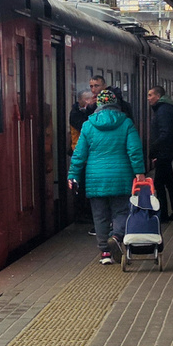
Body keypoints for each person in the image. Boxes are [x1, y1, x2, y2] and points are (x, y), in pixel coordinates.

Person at [68, 87, 145, 264]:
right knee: (121, 211)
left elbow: (79, 154)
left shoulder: (88, 125)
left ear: (99, 105)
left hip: (96, 179)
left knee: (100, 216)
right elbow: (134, 150)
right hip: (121, 176)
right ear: (115, 104)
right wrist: (139, 172)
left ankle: (105, 253)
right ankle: (117, 238)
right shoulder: (126, 123)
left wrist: (73, 175)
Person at [147, 86, 173, 223]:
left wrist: (154, 148)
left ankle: (163, 215)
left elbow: (165, 133)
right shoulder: (165, 109)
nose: (148, 98)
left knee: (159, 183)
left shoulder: (163, 110)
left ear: (158, 96)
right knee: (169, 182)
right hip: (165, 152)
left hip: (163, 153)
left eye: (150, 95)